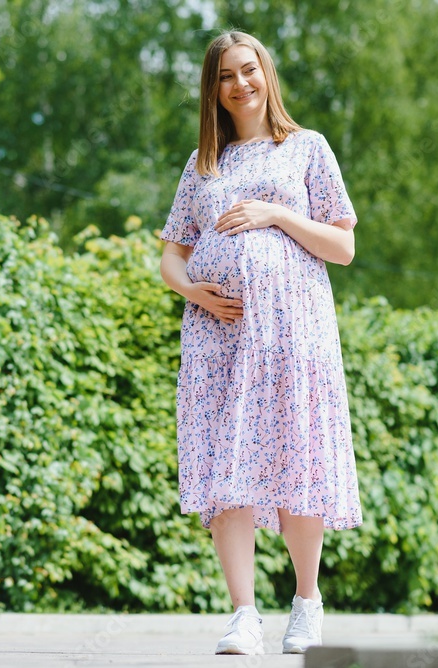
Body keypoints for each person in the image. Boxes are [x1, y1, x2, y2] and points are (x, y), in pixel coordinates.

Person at [159, 30, 363, 656]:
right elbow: (172, 254)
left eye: (249, 70)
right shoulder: (203, 164)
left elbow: (344, 246)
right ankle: (243, 614)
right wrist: (196, 293)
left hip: (294, 331)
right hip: (218, 335)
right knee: (227, 468)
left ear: (267, 75)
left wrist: (274, 214)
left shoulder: (306, 148)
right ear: (212, 89)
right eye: (226, 75)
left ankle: (306, 602)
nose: (240, 83)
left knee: (298, 454)